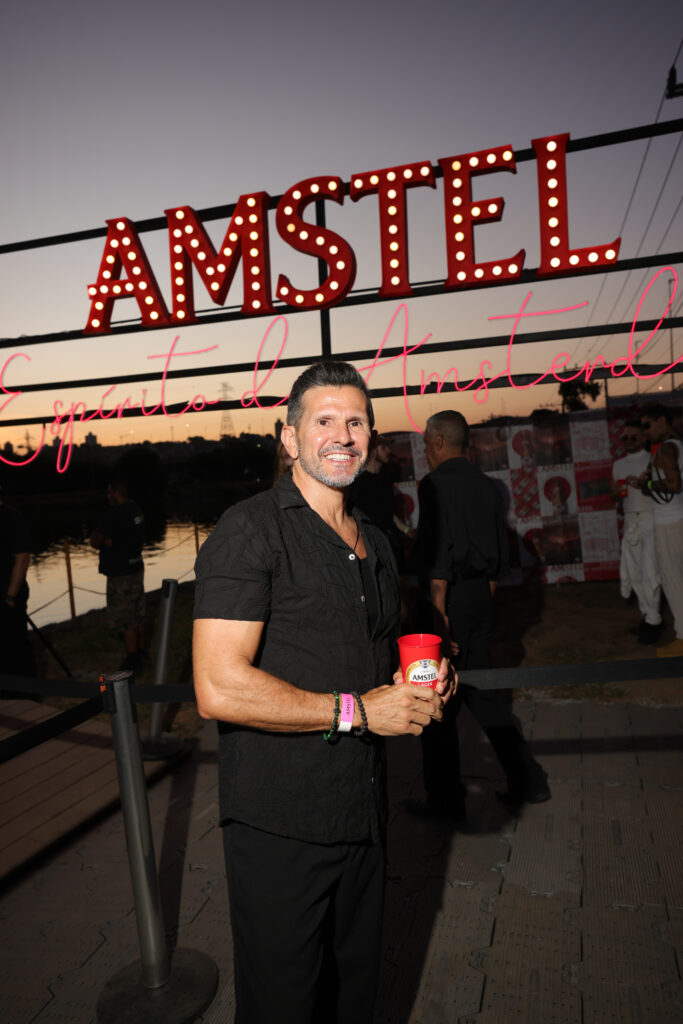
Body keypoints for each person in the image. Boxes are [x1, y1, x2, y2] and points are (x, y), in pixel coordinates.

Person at [192, 361, 453, 1024]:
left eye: (356, 422)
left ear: (371, 438)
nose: (343, 435)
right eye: (324, 421)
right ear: (289, 438)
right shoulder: (249, 530)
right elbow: (218, 686)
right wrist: (360, 712)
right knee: (284, 1005)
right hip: (280, 822)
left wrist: (423, 680)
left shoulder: (375, 539)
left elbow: (376, 653)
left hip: (362, 811)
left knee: (354, 996)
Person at [413, 409, 550, 818]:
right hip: (480, 600)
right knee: (483, 694)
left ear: (440, 441)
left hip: (448, 603)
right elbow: (498, 563)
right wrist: (480, 607)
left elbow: (439, 558)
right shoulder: (489, 487)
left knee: (434, 699)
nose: (425, 451)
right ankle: (529, 781)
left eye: (426, 443)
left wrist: (440, 617)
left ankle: (445, 801)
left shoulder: (433, 485)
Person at [631, 404, 683, 657]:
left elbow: (673, 484)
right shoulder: (677, 445)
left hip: (669, 523)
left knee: (673, 582)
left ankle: (682, 638)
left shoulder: (666, 449)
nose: (645, 432)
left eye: (647, 425)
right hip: (675, 519)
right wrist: (647, 483)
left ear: (662, 420)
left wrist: (648, 483)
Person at [612, 419, 662, 643]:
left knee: (650, 572)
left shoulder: (652, 459)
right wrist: (616, 493)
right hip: (630, 520)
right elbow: (614, 495)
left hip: (651, 519)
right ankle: (648, 617)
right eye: (626, 437)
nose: (629, 440)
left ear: (643, 437)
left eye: (634, 436)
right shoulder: (617, 465)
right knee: (634, 573)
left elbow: (664, 489)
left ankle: (654, 621)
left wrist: (643, 485)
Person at [90, 477, 146, 670]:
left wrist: (108, 541)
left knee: (126, 618)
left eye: (109, 492)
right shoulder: (136, 510)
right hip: (136, 568)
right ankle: (142, 653)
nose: (107, 496)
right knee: (138, 613)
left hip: (121, 573)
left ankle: (132, 660)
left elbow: (95, 541)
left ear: (115, 492)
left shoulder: (114, 515)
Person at [0, 482, 35, 678]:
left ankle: (27, 690)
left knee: (16, 647)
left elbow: (22, 559)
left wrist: (10, 597)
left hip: (9, 597)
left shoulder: (11, 517)